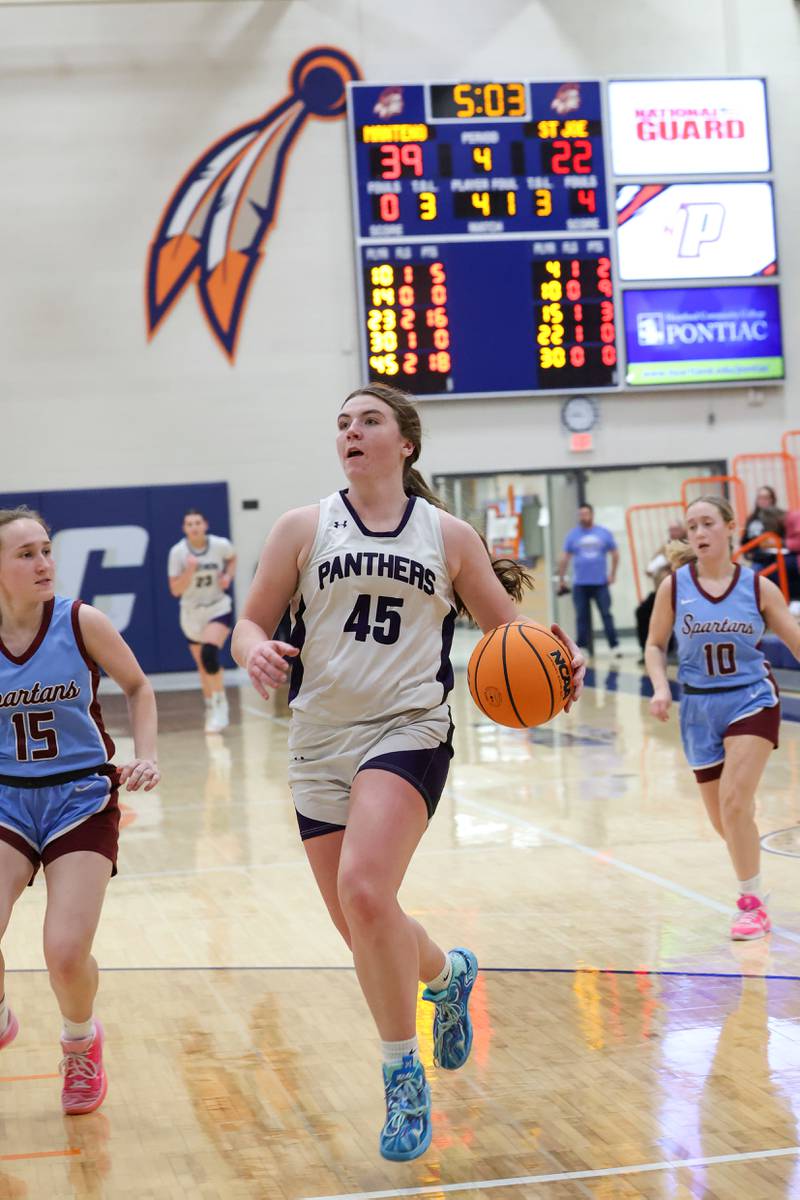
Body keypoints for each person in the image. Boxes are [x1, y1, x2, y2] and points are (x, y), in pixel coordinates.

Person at [232, 383, 585, 1163]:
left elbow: (507, 628)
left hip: (407, 729)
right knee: (364, 925)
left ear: (405, 443)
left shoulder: (447, 535)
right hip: (317, 740)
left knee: (365, 891)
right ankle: (448, 972)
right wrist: (251, 647)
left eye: (368, 421)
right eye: (343, 424)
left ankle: (401, 1076)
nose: (351, 432)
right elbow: (250, 619)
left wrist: (561, 657)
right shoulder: (302, 526)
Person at [0, 507, 159, 1113]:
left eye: (45, 550)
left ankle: (79, 1044)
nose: (43, 563)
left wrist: (145, 754)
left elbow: (139, 687)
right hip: (5, 798)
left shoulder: (79, 621)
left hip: (80, 797)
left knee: (64, 952)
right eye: (25, 554)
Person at [646, 495, 800, 940]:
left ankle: (751, 904)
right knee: (727, 822)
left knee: (734, 805)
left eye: (708, 523)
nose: (699, 533)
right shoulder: (674, 587)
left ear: (730, 528)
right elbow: (655, 645)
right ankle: (748, 860)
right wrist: (660, 686)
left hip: (751, 700)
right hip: (697, 709)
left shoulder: (757, 588)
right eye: (692, 526)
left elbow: (795, 643)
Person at [168, 509, 236, 733]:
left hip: (218, 606)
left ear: (205, 524)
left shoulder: (219, 545)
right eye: (189, 524)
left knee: (209, 654)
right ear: (184, 529)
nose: (194, 527)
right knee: (202, 665)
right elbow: (175, 590)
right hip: (191, 612)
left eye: (198, 522)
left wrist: (227, 576)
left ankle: (221, 705)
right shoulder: (178, 553)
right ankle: (210, 705)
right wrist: (189, 571)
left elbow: (232, 557)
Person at [558, 503, 621, 656]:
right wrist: (561, 579)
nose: (583, 517)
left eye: (586, 513)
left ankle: (614, 646)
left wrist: (612, 574)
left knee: (606, 614)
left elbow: (615, 554)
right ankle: (582, 647)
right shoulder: (573, 535)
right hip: (580, 584)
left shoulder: (603, 533)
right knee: (581, 617)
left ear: (592, 514)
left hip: (600, 583)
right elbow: (564, 558)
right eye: (580, 514)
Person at [634, 520, 686, 664]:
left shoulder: (688, 545)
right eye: (670, 530)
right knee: (642, 612)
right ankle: (647, 651)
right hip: (661, 591)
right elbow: (650, 568)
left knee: (674, 615)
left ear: (682, 530)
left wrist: (671, 565)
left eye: (675, 529)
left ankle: (674, 651)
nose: (672, 533)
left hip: (681, 590)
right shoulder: (665, 547)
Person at [741, 485, 786, 572]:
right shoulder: (752, 519)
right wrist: (748, 554)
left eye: (766, 497)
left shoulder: (781, 517)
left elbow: (787, 539)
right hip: (758, 560)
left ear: (772, 499)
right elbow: (745, 541)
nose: (763, 500)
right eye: (760, 497)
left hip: (776, 560)